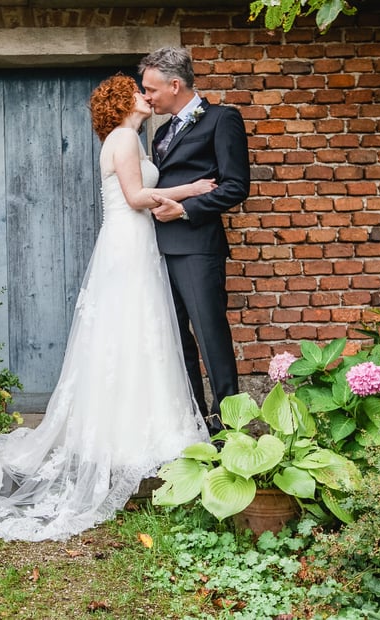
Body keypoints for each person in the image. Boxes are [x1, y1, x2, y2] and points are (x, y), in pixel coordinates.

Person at [0, 74, 215, 541]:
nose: (144, 96)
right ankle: (127, 434)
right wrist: (191, 190)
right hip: (128, 242)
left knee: (138, 332)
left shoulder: (131, 139)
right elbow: (136, 198)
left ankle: (138, 424)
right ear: (123, 103)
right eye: (137, 92)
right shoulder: (122, 139)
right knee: (133, 327)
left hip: (135, 242)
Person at [138, 47, 251, 435]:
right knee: (177, 342)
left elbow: (236, 186)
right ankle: (195, 425)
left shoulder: (222, 119)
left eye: (151, 89)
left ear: (175, 85)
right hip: (159, 249)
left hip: (198, 248)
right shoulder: (162, 132)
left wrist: (184, 210)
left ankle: (228, 429)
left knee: (210, 336)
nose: (147, 96)